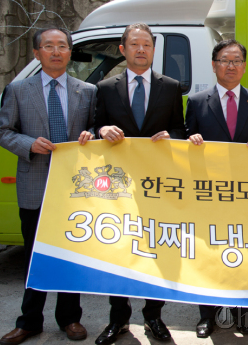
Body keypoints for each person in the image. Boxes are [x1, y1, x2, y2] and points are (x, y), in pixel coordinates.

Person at [0, 27, 95, 345]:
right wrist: (28, 143)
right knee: (34, 256)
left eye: (62, 46)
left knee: (70, 255)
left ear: (69, 52)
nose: (56, 51)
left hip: (73, 188)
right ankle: (29, 322)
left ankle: (70, 319)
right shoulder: (18, 89)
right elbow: (3, 131)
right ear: (37, 53)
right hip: (35, 183)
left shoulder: (87, 91)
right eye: (48, 46)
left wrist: (91, 135)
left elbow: (96, 126)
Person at [93, 23, 186, 344]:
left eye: (147, 44)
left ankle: (153, 315)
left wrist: (170, 137)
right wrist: (102, 131)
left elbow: (180, 130)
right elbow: (93, 129)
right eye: (135, 44)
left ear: (153, 49)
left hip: (156, 185)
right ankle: (118, 319)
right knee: (119, 251)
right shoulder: (105, 88)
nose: (141, 49)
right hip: (117, 187)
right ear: (123, 49)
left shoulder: (171, 87)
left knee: (155, 250)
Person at [185, 39, 248, 337]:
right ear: (214, 65)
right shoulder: (197, 102)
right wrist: (191, 140)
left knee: (243, 252)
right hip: (208, 192)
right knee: (208, 253)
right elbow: (184, 140)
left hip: (246, 194)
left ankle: (243, 313)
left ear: (245, 67)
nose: (231, 65)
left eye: (237, 60)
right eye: (225, 60)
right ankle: (207, 315)